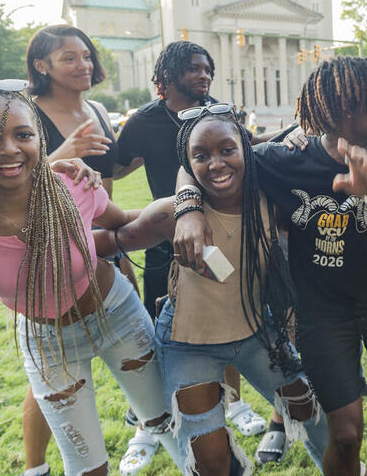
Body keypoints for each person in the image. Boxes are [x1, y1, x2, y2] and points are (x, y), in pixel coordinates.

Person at [175, 57, 367, 476]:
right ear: (346, 111)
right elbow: (204, 159)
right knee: (346, 435)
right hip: (322, 313)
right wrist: (188, 208)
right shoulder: (284, 159)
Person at [96, 106, 329, 475]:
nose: (216, 164)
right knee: (211, 460)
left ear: (246, 148)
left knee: (311, 413)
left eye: (227, 150)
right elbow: (114, 240)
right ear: (187, 164)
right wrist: (49, 238)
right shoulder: (171, 213)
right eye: (201, 156)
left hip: (257, 331)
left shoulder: (270, 200)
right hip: (189, 344)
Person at [0, 80, 180, 476]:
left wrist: (188, 209)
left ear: (38, 139)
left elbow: (126, 224)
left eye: (22, 134)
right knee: (86, 468)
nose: (8, 148)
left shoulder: (71, 182)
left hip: (117, 314)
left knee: (174, 428)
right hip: (46, 342)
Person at [113, 42, 268, 448]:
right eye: (194, 68)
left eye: (207, 69)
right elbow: (115, 167)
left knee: (227, 317)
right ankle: (147, 427)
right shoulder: (143, 122)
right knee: (159, 335)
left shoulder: (219, 113)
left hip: (217, 236)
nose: (204, 75)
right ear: (167, 76)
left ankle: (233, 403)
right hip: (164, 239)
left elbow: (250, 150)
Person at [24, 24, 150, 476]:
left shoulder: (96, 108)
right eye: (70, 58)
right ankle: (34, 466)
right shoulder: (27, 115)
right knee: (53, 371)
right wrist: (62, 152)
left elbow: (107, 176)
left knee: (134, 347)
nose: (84, 65)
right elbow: (11, 187)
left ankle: (147, 429)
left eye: (87, 56)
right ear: (42, 66)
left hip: (104, 245)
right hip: (49, 255)